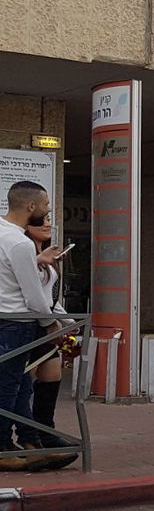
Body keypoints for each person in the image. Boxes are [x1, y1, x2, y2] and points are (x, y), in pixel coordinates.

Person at [0, 181, 61, 464]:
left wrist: (37, 258)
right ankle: (4, 448)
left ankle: (26, 440)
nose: (48, 210)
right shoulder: (19, 241)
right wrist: (52, 324)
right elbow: (34, 296)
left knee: (19, 384)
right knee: (11, 386)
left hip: (4, 319)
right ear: (31, 206)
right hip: (18, 323)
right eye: (46, 205)